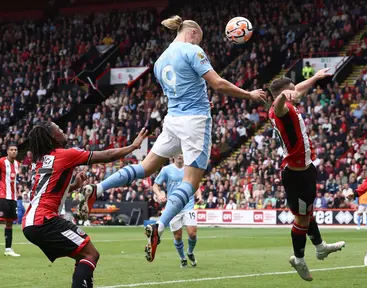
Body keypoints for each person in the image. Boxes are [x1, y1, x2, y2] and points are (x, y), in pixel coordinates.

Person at [79, 15, 266, 263]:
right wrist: (249, 94)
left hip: (173, 120)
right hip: (195, 121)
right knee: (191, 181)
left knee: (145, 167)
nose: (199, 43)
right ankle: (160, 226)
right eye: (199, 39)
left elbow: (182, 88)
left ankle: (99, 187)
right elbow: (219, 84)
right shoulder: (192, 49)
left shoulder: (159, 62)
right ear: (192, 34)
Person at [22, 121, 147, 288]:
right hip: (44, 220)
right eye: (59, 129)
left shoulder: (40, 161)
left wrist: (74, 186)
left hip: (31, 222)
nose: (63, 130)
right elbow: (108, 155)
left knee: (84, 256)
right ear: (54, 137)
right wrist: (133, 146)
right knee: (90, 254)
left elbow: (48, 191)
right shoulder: (65, 154)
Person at [268, 69, 345, 282]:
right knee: (302, 218)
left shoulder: (287, 100)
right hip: (297, 175)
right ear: (283, 94)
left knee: (308, 213)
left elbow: (296, 90)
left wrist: (315, 77)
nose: (296, 92)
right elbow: (279, 104)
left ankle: (320, 247)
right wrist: (284, 97)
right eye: (290, 91)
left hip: (306, 169)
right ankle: (299, 259)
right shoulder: (279, 110)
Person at [153, 155, 202, 268]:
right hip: (173, 207)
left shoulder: (189, 169)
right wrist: (159, 194)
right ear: (172, 156)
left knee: (192, 233)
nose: (179, 155)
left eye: (182, 153)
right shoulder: (166, 170)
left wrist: (198, 195)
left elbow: (195, 184)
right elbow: (155, 185)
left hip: (188, 205)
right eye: (177, 153)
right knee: (178, 236)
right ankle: (182, 258)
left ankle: (189, 252)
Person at [0, 144, 21, 257]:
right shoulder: (2, 162)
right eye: (11, 150)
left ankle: (8, 249)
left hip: (13, 198)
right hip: (2, 196)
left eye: (15, 150)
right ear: (7, 151)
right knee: (2, 220)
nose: (13, 151)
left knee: (9, 222)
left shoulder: (18, 164)